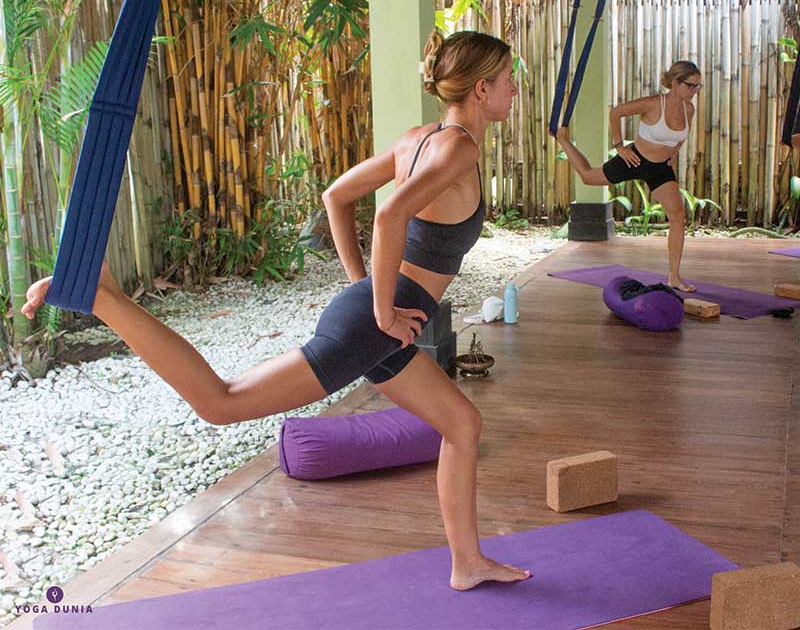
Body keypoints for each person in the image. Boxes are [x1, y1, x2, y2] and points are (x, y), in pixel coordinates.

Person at [22, 29, 530, 592]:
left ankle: (467, 563)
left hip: (379, 322)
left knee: (463, 423)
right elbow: (388, 219)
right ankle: (103, 299)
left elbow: (336, 197)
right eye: (509, 80)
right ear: (482, 88)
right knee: (222, 402)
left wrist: (366, 294)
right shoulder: (459, 147)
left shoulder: (419, 138)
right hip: (380, 323)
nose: (514, 90)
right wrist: (381, 313)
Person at [556, 61, 702, 292]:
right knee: (588, 177)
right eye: (691, 86)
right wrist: (619, 146)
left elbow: (682, 135)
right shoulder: (654, 103)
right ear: (675, 83)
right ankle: (562, 139)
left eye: (698, 87)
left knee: (678, 215)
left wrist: (673, 152)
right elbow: (617, 112)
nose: (695, 91)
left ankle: (674, 276)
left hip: (660, 168)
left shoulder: (689, 109)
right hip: (634, 159)